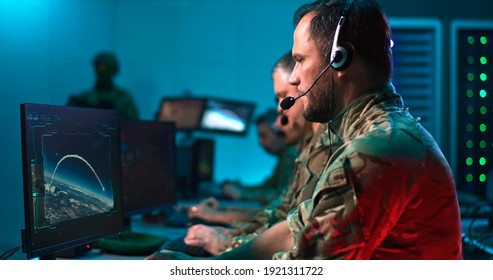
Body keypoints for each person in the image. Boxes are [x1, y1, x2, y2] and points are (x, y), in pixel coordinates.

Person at [147, 0, 462, 260]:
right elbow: (298, 227)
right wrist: (224, 256)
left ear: (339, 60)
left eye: (300, 60)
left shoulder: (378, 149)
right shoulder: (371, 137)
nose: (294, 78)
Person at [182, 51, 337, 256]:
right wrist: (237, 233)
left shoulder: (329, 147)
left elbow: (296, 232)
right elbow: (283, 211)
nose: (281, 111)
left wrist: (230, 243)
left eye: (284, 96)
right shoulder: (311, 147)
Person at [187, 107, 300, 225]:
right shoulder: (285, 156)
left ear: (280, 133)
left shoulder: (291, 155)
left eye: (264, 136)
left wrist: (240, 194)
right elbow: (268, 187)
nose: (261, 142)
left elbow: (279, 197)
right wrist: (240, 189)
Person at [67, 51, 140, 119]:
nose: (101, 72)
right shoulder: (85, 97)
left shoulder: (123, 98)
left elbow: (133, 124)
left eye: (106, 68)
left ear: (114, 70)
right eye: (98, 67)